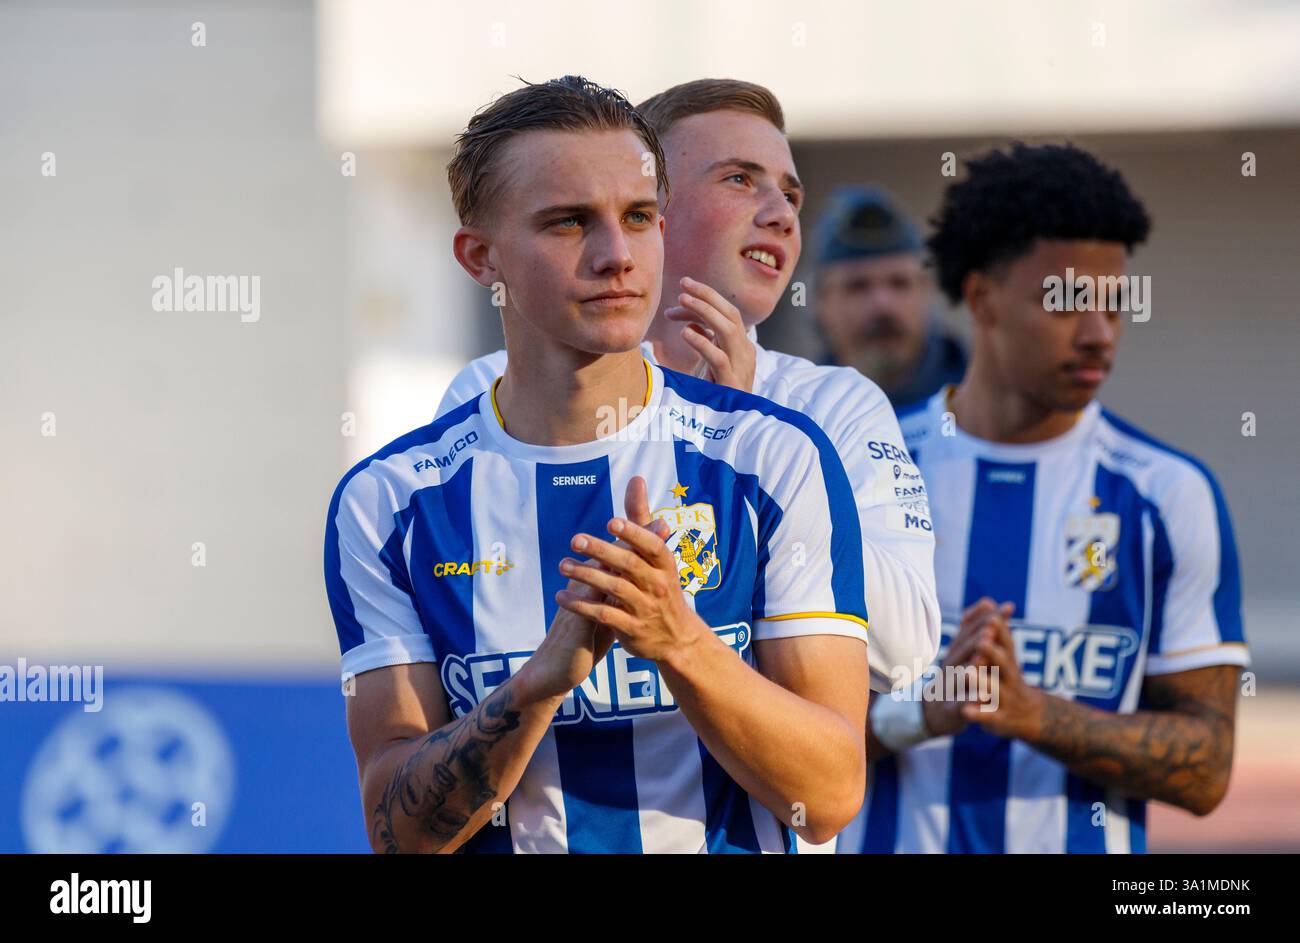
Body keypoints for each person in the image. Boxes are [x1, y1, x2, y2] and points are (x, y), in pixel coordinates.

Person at [325, 75, 870, 854]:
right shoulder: (389, 504)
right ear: (481, 257)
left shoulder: (773, 455)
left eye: (640, 217)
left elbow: (826, 797)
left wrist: (680, 640)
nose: (617, 255)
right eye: (569, 222)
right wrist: (537, 683)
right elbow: (400, 833)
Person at [439, 79, 941, 704]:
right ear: (650, 202)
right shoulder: (489, 389)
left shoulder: (834, 403)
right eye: (739, 180)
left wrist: (753, 442)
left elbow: (906, 655)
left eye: (790, 193)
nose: (782, 213)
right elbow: (479, 626)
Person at [839, 142, 1248, 854]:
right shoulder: (863, 470)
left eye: (1114, 304)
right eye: (1065, 302)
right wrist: (924, 711)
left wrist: (1036, 715)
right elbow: (788, 720)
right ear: (981, 297)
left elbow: (1207, 766)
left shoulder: (1166, 494)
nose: (1098, 333)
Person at [810, 186, 966, 410]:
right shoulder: (794, 416)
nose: (883, 305)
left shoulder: (987, 409)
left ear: (927, 291)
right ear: (820, 303)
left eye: (900, 283)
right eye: (858, 287)